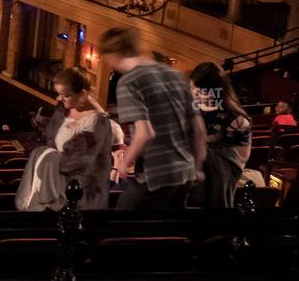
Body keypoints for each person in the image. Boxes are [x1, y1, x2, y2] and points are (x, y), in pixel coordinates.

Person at [101, 27, 206, 210]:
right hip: (185, 173)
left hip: (156, 175)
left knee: (119, 224)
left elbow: (145, 133)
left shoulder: (129, 81)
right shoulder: (177, 76)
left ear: (112, 54)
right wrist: (197, 168)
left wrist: (123, 165)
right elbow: (199, 129)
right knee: (168, 234)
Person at [16, 68, 120, 211]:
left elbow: (77, 162)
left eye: (65, 95)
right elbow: (55, 138)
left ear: (82, 93)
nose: (59, 98)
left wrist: (47, 158)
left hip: (80, 197)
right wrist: (45, 123)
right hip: (54, 189)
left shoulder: (97, 123)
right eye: (58, 94)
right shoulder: (62, 110)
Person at [190, 63, 251, 209]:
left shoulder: (237, 121)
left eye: (205, 91)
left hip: (213, 191)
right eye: (194, 89)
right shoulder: (188, 112)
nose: (200, 95)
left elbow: (236, 165)